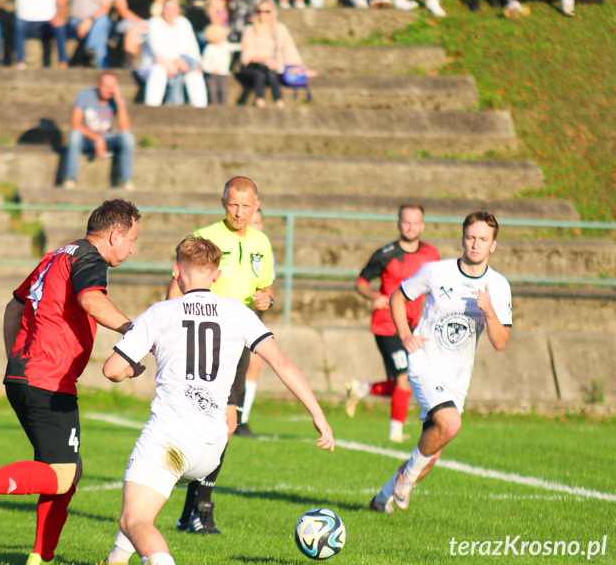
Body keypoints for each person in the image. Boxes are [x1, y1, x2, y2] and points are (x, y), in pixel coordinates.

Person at [98, 236, 334, 565]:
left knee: (134, 520)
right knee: (141, 502)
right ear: (217, 275)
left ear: (176, 271)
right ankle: (115, 560)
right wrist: (318, 414)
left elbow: (111, 370)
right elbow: (281, 363)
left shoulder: (161, 312)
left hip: (171, 438)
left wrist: (131, 371)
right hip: (212, 446)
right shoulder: (238, 312)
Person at [0, 199, 142, 565]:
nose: (132, 249)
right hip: (49, 379)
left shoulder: (56, 256)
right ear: (115, 234)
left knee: (65, 469)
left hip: (26, 373)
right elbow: (91, 300)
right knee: (62, 474)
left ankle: (39, 556)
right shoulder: (89, 259)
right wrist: (134, 332)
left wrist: (15, 360)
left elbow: (14, 307)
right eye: (132, 240)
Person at [369, 210, 512, 513]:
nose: (476, 244)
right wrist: (406, 334)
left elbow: (500, 342)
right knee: (450, 423)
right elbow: (398, 297)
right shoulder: (437, 272)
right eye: (471, 237)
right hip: (424, 362)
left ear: (493, 245)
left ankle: (382, 499)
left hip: (458, 376)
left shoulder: (498, 286)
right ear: (462, 239)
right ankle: (405, 482)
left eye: (483, 239)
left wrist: (489, 312)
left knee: (432, 452)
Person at [168, 176, 274, 534]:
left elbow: (266, 287)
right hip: (205, 339)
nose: (240, 212)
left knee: (225, 424)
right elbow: (178, 280)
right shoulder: (205, 237)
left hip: (238, 342)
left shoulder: (261, 242)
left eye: (246, 206)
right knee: (213, 423)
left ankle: (192, 512)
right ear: (222, 202)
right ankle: (199, 509)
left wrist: (268, 298)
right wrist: (168, 324)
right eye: (233, 205)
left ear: (257, 206)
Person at [346, 204, 440, 443]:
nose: (411, 227)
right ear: (398, 224)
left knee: (411, 379)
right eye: (406, 222)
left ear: (423, 225)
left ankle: (363, 389)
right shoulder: (384, 254)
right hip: (387, 325)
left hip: (416, 326)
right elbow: (361, 282)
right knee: (404, 379)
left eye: (415, 222)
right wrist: (373, 296)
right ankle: (395, 433)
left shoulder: (432, 255)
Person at [235, 207, 274, 437]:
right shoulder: (234, 245)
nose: (255, 227)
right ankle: (237, 418)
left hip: (252, 318)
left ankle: (242, 419)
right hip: (232, 319)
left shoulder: (263, 248)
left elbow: (269, 289)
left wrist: (267, 300)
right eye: (252, 223)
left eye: (258, 223)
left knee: (255, 364)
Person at [63, 72, 135, 190]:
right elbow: (75, 124)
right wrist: (97, 139)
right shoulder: (84, 95)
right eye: (106, 86)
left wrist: (119, 103)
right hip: (86, 138)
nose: (109, 90)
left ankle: (127, 181)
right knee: (74, 135)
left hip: (108, 138)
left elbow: (125, 128)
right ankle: (70, 179)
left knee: (128, 137)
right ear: (98, 85)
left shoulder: (118, 100)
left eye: (112, 87)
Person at [239, 0, 311, 108]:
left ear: (272, 12)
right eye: (259, 11)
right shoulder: (250, 29)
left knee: (271, 72)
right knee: (260, 73)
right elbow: (246, 57)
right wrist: (264, 60)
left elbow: (290, 49)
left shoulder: (280, 29)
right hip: (254, 66)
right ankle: (260, 101)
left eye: (267, 11)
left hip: (273, 68)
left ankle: (279, 102)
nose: (263, 14)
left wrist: (302, 68)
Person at [139, 0, 208, 108]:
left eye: (172, 9)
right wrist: (175, 61)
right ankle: (151, 107)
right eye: (166, 8)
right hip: (154, 64)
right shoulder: (154, 22)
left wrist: (195, 63)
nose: (168, 12)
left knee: (195, 72)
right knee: (159, 71)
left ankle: (201, 108)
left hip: (182, 63)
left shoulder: (184, 23)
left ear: (178, 10)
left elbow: (193, 47)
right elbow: (156, 49)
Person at [13, 0, 69, 70]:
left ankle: (63, 63)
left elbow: (62, 3)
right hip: (25, 20)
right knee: (19, 25)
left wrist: (59, 16)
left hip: (49, 21)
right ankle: (20, 62)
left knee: (60, 27)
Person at [67, 0, 116, 68]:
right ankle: (101, 67)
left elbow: (105, 9)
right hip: (76, 21)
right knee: (100, 31)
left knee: (102, 21)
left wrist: (89, 21)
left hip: (96, 21)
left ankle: (90, 50)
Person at [113, 0, 153, 69]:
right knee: (133, 30)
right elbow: (121, 9)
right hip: (128, 21)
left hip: (148, 22)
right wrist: (140, 22)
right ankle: (130, 65)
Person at [202, 25, 238, 106]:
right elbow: (205, 64)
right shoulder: (209, 48)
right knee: (213, 91)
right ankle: (214, 106)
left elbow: (234, 46)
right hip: (212, 75)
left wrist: (242, 46)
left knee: (223, 90)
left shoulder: (225, 45)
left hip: (223, 73)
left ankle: (223, 106)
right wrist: (211, 69)